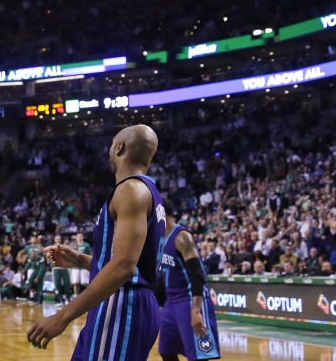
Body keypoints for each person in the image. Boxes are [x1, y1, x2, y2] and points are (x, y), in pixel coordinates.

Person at [27, 124, 166, 361]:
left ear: (119, 148)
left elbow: (124, 267)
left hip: (121, 304)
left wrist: (62, 316)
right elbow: (129, 264)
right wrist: (79, 258)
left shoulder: (131, 189)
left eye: (112, 145)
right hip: (127, 302)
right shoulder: (148, 192)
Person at [158, 199, 221, 361]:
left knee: (199, 357)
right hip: (171, 303)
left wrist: (196, 310)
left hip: (190, 301)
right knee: (166, 350)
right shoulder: (160, 240)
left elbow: (198, 275)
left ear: (161, 214)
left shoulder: (182, 237)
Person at [70, 232, 92, 298]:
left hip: (83, 267)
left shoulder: (86, 245)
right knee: (75, 282)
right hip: (75, 266)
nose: (79, 237)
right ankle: (76, 296)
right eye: (78, 236)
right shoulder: (74, 245)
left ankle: (89, 295)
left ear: (83, 237)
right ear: (76, 237)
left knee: (85, 282)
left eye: (80, 236)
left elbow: (90, 255)